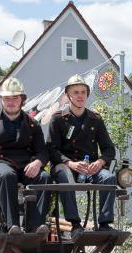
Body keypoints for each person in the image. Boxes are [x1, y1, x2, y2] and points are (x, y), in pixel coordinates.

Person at [0, 77, 51, 234]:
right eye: (7, 98)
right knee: (7, 175)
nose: (11, 102)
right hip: (0, 162)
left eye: (15, 98)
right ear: (1, 100)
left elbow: (42, 151)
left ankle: (36, 225)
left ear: (22, 100)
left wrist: (37, 163)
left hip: (26, 164)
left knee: (44, 178)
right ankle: (12, 226)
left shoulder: (32, 124)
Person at [47, 74, 119, 237]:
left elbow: (109, 149)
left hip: (89, 168)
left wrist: (100, 162)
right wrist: (70, 164)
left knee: (109, 178)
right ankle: (75, 224)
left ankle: (105, 223)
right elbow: (51, 149)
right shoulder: (58, 119)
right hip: (65, 166)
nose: (80, 96)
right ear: (68, 95)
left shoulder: (95, 119)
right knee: (65, 177)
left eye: (83, 92)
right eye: (76, 92)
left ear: (87, 95)